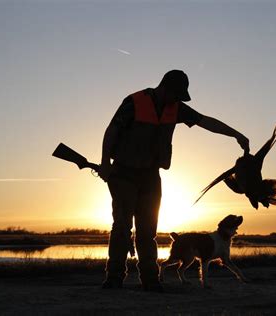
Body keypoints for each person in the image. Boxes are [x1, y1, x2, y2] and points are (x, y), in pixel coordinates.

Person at [99, 70, 250, 292]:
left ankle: (150, 279)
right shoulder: (135, 101)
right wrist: (105, 163)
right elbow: (112, 130)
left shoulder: (175, 108)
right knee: (122, 226)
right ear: (165, 88)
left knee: (148, 231)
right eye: (176, 94)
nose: (178, 100)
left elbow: (205, 121)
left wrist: (235, 134)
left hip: (151, 175)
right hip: (124, 172)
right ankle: (114, 277)